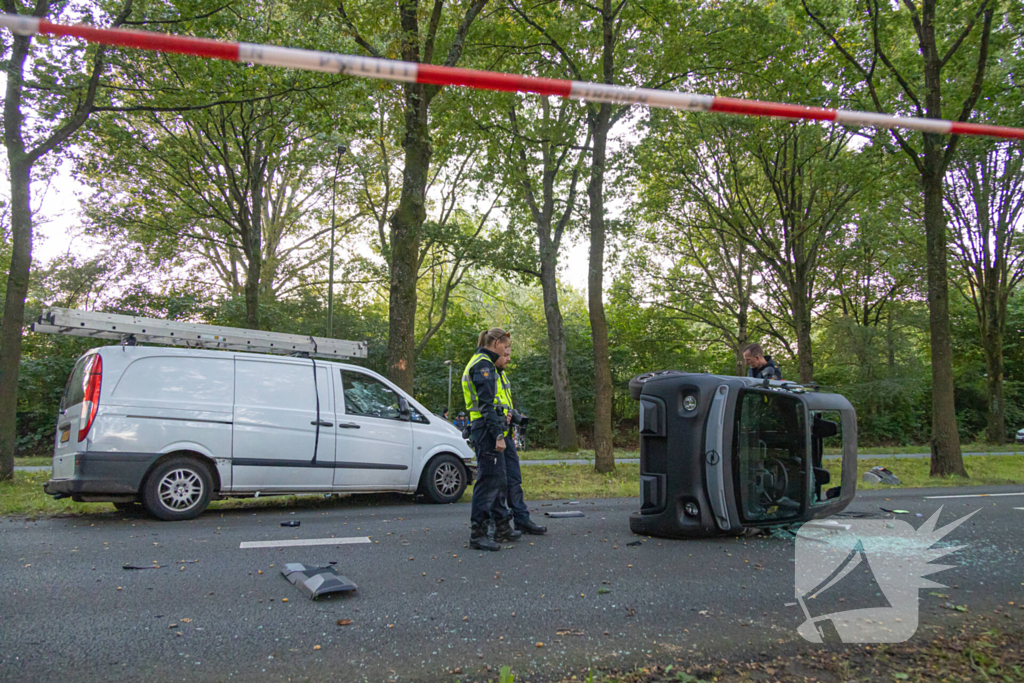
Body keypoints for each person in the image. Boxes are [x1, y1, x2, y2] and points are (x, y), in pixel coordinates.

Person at [462, 328, 517, 551]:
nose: (507, 354)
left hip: (488, 427)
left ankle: (501, 526)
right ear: (495, 344)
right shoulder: (483, 365)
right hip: (486, 430)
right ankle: (478, 533)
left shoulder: (482, 362)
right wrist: (498, 435)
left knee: (499, 479)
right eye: (505, 348)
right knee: (487, 482)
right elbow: (486, 406)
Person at [493, 342, 547, 536]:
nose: (508, 359)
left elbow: (503, 401)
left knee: (514, 477)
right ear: (495, 352)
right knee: (498, 481)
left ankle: (521, 518)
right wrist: (501, 416)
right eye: (505, 355)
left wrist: (512, 414)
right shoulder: (486, 372)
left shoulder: (502, 374)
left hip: (505, 432)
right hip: (494, 433)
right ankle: (496, 524)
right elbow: (483, 403)